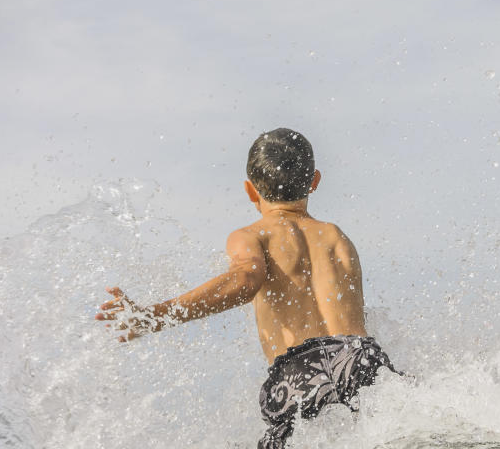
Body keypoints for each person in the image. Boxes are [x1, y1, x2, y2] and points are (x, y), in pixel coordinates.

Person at [96, 127, 396, 448]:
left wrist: (154, 316)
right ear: (315, 180)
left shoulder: (252, 235)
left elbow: (245, 279)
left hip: (301, 371)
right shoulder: (336, 237)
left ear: (250, 191)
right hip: (362, 358)